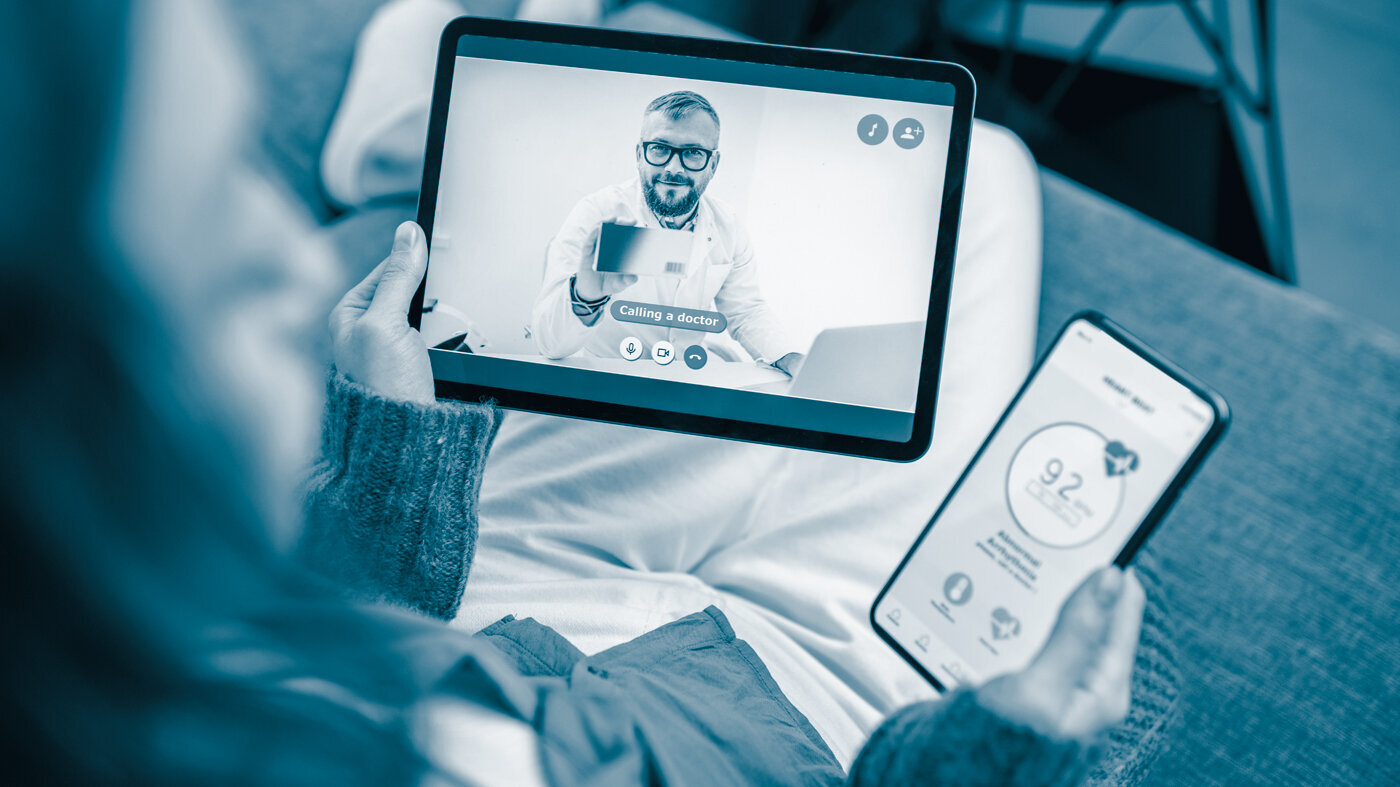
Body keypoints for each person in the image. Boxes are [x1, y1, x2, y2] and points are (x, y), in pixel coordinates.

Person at [0, 0, 1171, 784]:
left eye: (249, 163)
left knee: (951, 196)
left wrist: (404, 451)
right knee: (987, 174)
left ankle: (417, 129)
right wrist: (998, 750)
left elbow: (755, 307)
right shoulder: (595, 220)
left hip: (493, 600)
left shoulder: (204, 663)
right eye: (219, 243)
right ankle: (416, 131)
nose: (310, 265)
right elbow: (560, 322)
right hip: (791, 694)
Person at [529, 90, 806, 375]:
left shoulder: (729, 226)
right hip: (610, 377)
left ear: (713, 164)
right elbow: (549, 343)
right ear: (639, 154)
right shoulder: (597, 213)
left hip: (685, 378)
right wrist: (585, 297)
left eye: (693, 153)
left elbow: (745, 312)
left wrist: (789, 357)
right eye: (660, 148)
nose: (674, 168)